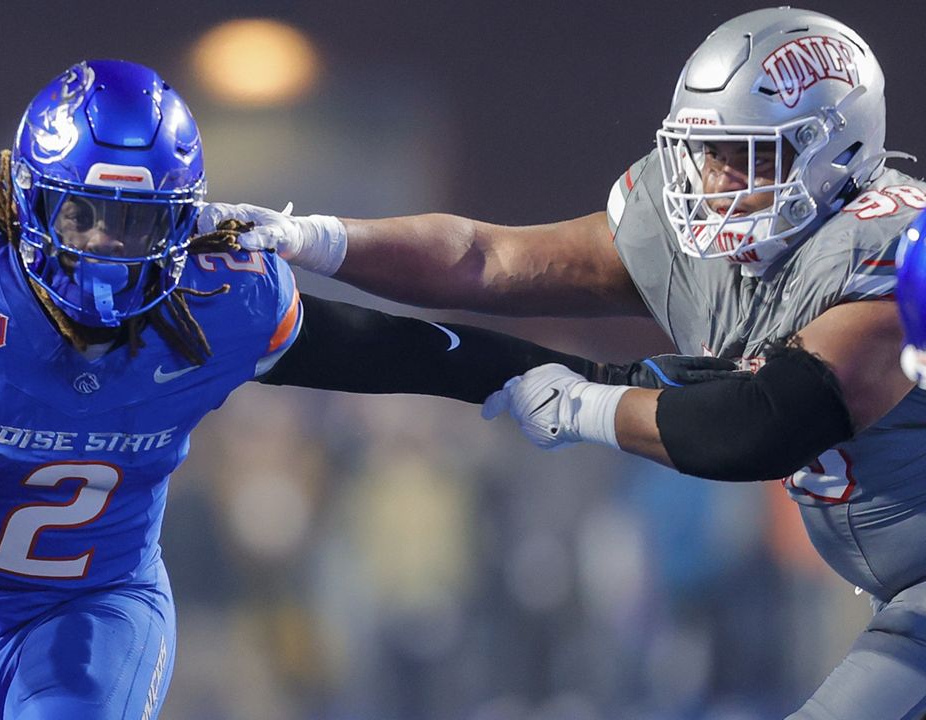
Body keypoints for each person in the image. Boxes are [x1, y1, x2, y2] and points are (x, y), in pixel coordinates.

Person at [0, 59, 719, 720]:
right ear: (27, 208)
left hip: (99, 606)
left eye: (136, 222)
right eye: (82, 216)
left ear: (184, 220)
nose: (106, 249)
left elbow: (413, 354)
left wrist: (601, 384)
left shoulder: (220, 308)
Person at [200, 8, 926, 718]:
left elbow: (763, 423)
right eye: (708, 151)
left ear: (837, 153)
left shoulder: (892, 251)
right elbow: (487, 260)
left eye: (750, 156)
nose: (715, 181)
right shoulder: (706, 230)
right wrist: (315, 239)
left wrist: (581, 404)